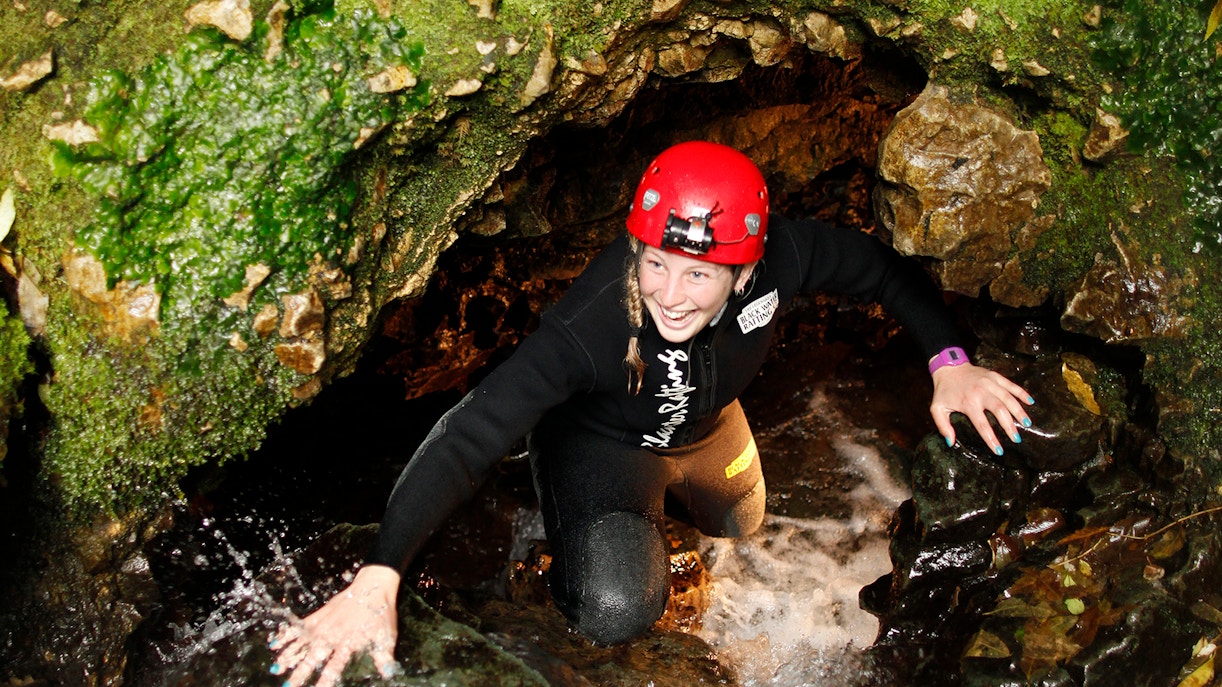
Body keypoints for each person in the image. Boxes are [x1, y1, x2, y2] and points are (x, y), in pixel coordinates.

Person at [269, 141, 1034, 687]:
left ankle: (648, 517)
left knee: (741, 525)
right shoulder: (595, 322)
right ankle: (556, 534)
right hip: (602, 442)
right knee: (615, 610)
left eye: (698, 273)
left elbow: (882, 272)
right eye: (656, 262)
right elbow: (469, 429)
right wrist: (379, 574)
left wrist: (949, 363)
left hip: (706, 430)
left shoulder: (786, 257)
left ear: (742, 270)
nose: (670, 293)